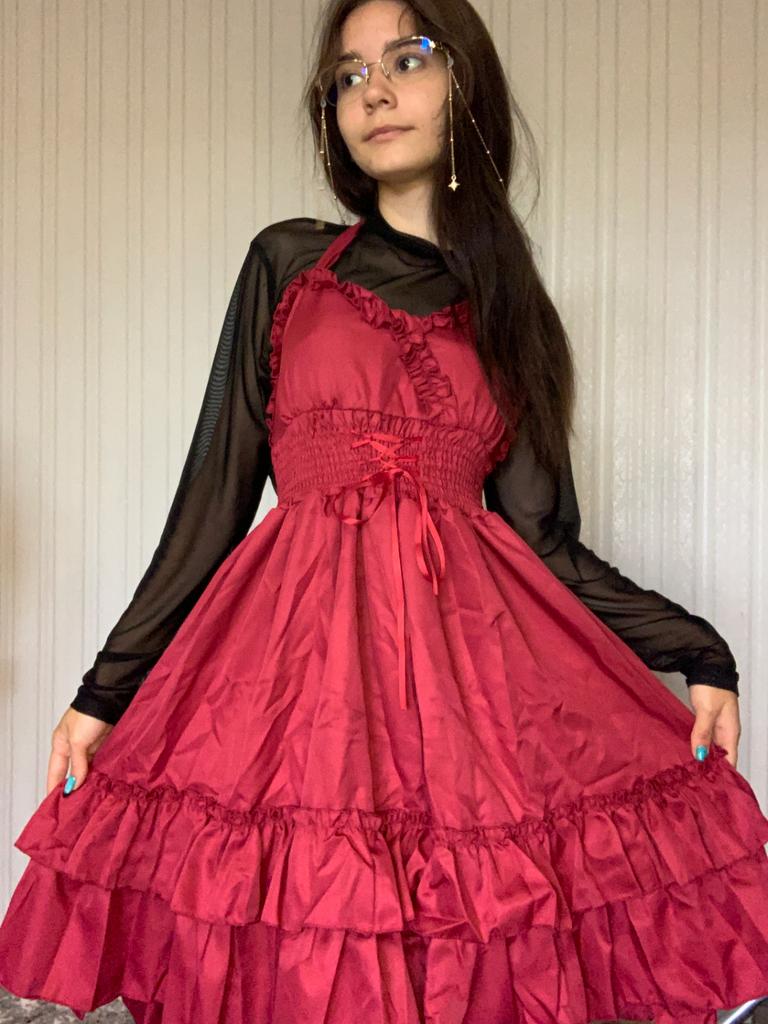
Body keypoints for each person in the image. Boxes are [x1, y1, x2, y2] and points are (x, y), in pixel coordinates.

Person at [1, 1, 767, 1022]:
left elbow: (546, 545)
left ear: (466, 87)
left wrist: (701, 649)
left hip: (466, 697)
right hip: (294, 688)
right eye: (349, 74)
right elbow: (212, 503)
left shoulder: (512, 313)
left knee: (461, 945)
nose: (374, 90)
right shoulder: (288, 261)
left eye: (408, 59)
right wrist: (104, 694)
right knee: (301, 945)